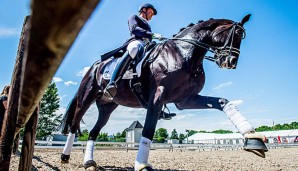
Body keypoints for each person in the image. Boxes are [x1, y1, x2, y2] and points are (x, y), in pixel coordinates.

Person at [103, 3, 164, 100]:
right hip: (136, 42)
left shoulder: (148, 24)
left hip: (146, 46)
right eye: (151, 12)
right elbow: (135, 29)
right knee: (134, 48)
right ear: (144, 10)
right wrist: (152, 35)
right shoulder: (134, 17)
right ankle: (112, 83)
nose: (152, 15)